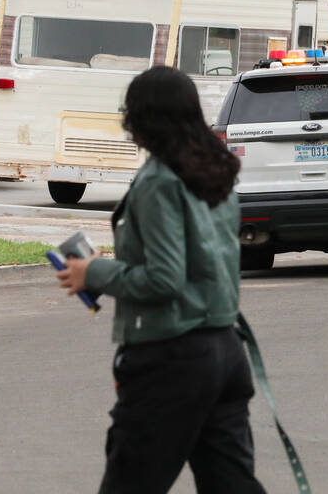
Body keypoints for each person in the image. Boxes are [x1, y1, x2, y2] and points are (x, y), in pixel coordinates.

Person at [57, 66, 266, 494]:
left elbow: (165, 278)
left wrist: (92, 271)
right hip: (225, 350)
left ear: (144, 118)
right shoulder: (216, 172)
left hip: (172, 357)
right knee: (231, 485)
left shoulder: (159, 180)